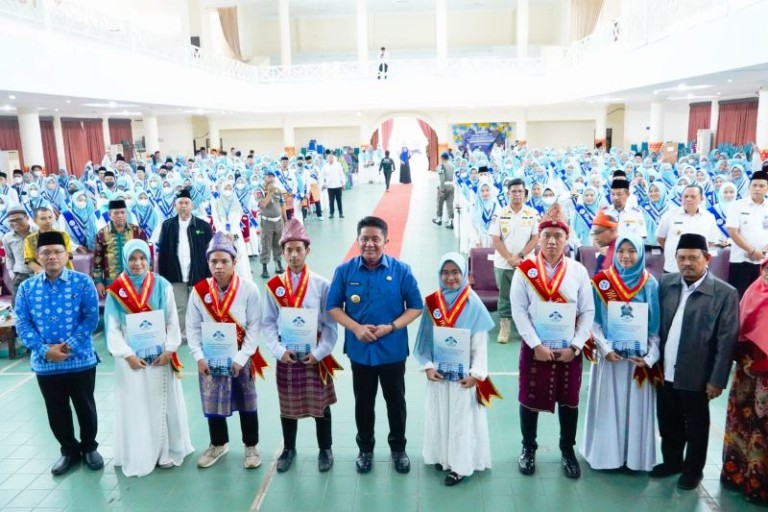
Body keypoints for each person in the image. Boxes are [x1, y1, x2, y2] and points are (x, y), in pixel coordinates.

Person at [327, 216, 423, 474]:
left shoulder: (401, 270)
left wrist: (391, 327)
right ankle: (365, 450)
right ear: (358, 240)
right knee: (363, 403)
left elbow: (416, 306)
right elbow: (333, 307)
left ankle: (398, 449)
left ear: (385, 241)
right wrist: (356, 328)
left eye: (375, 239)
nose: (369, 244)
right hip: (361, 352)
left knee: (396, 402)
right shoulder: (345, 271)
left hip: (392, 351)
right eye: (364, 239)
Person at [510, 203, 595, 479]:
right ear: (539, 237)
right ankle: (528, 448)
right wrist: (536, 345)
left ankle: (567, 451)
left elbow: (588, 311)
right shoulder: (525, 270)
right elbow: (519, 311)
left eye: (558, 236)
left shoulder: (578, 271)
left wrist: (576, 346)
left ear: (566, 240)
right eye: (546, 235)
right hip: (536, 348)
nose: (552, 241)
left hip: (569, 350)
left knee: (569, 401)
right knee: (529, 397)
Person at [652, 233, 739, 490]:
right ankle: (672, 462)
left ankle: (693, 470)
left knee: (696, 426)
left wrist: (717, 379)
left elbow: (727, 341)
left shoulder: (724, 293)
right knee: (668, 421)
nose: (686, 263)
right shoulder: (666, 283)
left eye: (693, 258)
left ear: (707, 259)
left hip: (698, 374)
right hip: (665, 369)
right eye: (681, 258)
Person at [14, 231, 102, 476]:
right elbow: (22, 323)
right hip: (46, 364)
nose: (52, 256)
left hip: (81, 360)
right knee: (56, 409)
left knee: (86, 407)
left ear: (67, 255)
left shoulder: (83, 282)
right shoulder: (26, 288)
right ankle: (68, 451)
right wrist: (45, 350)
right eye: (46, 253)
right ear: (38, 257)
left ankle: (89, 448)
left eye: (57, 252)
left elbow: (91, 318)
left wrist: (68, 346)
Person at [105, 240, 194, 477]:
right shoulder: (117, 290)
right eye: (133, 258)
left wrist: (170, 348)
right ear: (126, 260)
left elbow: (173, 319)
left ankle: (166, 451)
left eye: (142, 258)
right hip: (131, 361)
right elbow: (112, 328)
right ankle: (143, 452)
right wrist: (127, 355)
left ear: (149, 259)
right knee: (138, 404)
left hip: (160, 357)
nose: (138, 263)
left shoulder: (161, 285)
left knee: (162, 401)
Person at [262, 219, 340, 473]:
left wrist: (319, 353)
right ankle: (289, 448)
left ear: (308, 250)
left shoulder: (321, 285)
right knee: (288, 405)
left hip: (315, 356)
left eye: (298, 249)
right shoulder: (273, 287)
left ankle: (325, 448)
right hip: (287, 355)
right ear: (282, 252)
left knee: (321, 406)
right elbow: (268, 323)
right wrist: (278, 351)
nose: (294, 255)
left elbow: (330, 325)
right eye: (289, 250)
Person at [414, 252, 495, 486]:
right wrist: (428, 367)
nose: (450, 278)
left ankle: (459, 466)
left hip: (463, 378)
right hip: (439, 376)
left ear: (465, 275)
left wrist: (476, 374)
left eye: (455, 272)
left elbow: (480, 344)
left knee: (461, 419)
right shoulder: (432, 303)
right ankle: (442, 457)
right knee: (439, 415)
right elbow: (424, 341)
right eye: (445, 273)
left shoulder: (474, 304)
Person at [581, 234, 661, 471]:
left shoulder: (650, 284)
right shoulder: (601, 282)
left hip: (638, 361)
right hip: (610, 358)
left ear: (640, 254)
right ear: (613, 254)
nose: (626, 256)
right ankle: (606, 456)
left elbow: (655, 327)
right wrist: (604, 348)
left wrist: (649, 357)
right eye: (621, 251)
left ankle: (634, 458)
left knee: (636, 410)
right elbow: (593, 322)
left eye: (631, 251)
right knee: (607, 406)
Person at [186, 232, 265, 469]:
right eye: (213, 262)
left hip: (242, 358)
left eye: (224, 262)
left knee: (247, 402)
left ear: (234, 262)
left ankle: (251, 446)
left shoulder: (249, 289)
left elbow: (254, 327)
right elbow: (191, 326)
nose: (218, 267)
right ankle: (218, 444)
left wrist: (242, 358)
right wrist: (198, 356)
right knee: (212, 402)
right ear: (207, 262)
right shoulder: (199, 291)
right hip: (210, 358)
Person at [721, 257, 768, 504]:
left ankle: (758, 485)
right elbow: (737, 330)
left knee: (762, 432)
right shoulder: (754, 290)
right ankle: (737, 475)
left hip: (764, 379)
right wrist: (744, 360)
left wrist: (760, 366)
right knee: (742, 424)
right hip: (746, 376)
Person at [155, 189, 213, 343]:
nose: (183, 206)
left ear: (192, 205)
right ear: (175, 206)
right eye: (180, 203)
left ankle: (201, 336)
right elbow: (163, 253)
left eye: (186, 203)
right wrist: (163, 277)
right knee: (179, 307)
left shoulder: (203, 226)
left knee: (200, 306)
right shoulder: (167, 226)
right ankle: (182, 335)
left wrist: (210, 275)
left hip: (199, 273)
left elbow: (211, 252)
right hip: (175, 274)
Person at [489, 179, 539, 344]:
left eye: (520, 191)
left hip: (526, 264)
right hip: (504, 264)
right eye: (514, 191)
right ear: (508, 193)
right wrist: (510, 258)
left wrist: (520, 256)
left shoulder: (532, 213)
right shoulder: (500, 213)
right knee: (505, 297)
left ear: (525, 194)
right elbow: (495, 240)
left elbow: (535, 238)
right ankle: (505, 328)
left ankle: (528, 328)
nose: (517, 194)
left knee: (528, 296)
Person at [657, 185, 719, 273]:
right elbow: (660, 238)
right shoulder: (669, 215)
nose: (688, 199)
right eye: (685, 196)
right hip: (673, 267)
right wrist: (673, 250)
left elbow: (710, 242)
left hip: (699, 269)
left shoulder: (709, 217)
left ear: (701, 199)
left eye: (693, 196)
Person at [726, 169, 768, 297]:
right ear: (749, 187)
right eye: (754, 185)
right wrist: (751, 251)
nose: (757, 189)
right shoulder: (737, 205)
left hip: (764, 262)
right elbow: (733, 231)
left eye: (761, 186)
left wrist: (764, 252)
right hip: (741, 260)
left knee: (761, 299)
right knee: (738, 298)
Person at [93, 199, 148, 298]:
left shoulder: (137, 231)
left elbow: (147, 257)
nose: (120, 215)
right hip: (112, 282)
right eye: (116, 213)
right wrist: (98, 282)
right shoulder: (101, 234)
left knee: (135, 310)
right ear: (109, 215)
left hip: (135, 280)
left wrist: (147, 279)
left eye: (122, 212)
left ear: (127, 214)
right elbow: (97, 259)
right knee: (114, 311)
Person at [23, 206, 74, 274]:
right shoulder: (29, 239)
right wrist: (44, 273)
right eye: (43, 218)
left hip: (65, 272)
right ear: (35, 221)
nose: (48, 221)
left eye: (50, 217)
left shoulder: (63, 235)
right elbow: (29, 261)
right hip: (42, 274)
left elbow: (68, 255)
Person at [256, 170, 286, 278]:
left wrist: (285, 220)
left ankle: (278, 265)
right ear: (264, 177)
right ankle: (264, 268)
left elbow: (282, 205)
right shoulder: (259, 190)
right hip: (266, 222)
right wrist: (270, 192)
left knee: (278, 244)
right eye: (269, 176)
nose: (271, 179)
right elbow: (263, 204)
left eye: (272, 177)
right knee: (266, 245)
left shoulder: (278, 190)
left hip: (278, 221)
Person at [2, 205, 35, 300]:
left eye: (18, 219)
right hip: (20, 276)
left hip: (39, 274)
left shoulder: (39, 232)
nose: (15, 223)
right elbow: (9, 257)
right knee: (18, 306)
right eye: (11, 221)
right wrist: (12, 274)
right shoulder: (7, 238)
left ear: (27, 218)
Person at [590, 209, 619, 274]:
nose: (596, 238)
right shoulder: (604, 255)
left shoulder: (621, 252)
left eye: (598, 232)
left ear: (612, 230)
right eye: (594, 234)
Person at [432, 152, 455, 229]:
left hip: (443, 186)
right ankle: (451, 220)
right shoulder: (452, 166)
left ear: (442, 158)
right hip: (451, 186)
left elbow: (442, 178)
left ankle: (439, 219)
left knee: (439, 203)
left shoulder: (441, 166)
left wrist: (441, 190)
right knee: (450, 204)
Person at [323, 153, 345, 219]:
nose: (330, 159)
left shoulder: (338, 165)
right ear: (327, 159)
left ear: (333, 158)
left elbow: (342, 175)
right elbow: (322, 175)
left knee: (339, 200)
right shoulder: (325, 166)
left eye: (331, 158)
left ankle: (341, 213)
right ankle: (331, 213)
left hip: (338, 186)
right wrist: (324, 184)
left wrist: (343, 184)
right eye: (329, 158)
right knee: (331, 201)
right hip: (330, 187)